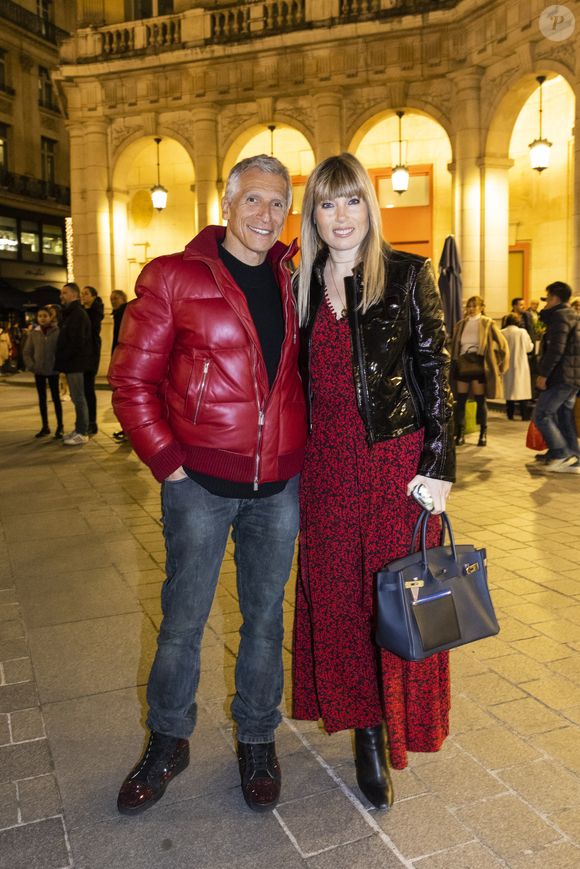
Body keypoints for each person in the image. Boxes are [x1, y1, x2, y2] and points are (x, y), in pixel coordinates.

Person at [108, 155, 307, 815]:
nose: (266, 215)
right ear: (227, 202)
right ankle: (168, 739)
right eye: (254, 200)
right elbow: (132, 380)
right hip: (199, 482)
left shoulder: (295, 281)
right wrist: (168, 462)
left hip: (277, 486)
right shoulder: (174, 276)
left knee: (262, 620)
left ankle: (256, 739)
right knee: (182, 623)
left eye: (278, 203)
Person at [292, 153, 455, 811]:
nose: (340, 216)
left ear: (369, 207)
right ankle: (363, 727)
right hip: (325, 469)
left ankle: (396, 722)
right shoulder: (300, 283)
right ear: (315, 214)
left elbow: (436, 374)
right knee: (339, 600)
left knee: (398, 601)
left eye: (351, 201)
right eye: (327, 204)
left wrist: (438, 467)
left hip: (395, 464)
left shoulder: (409, 275)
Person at [533, 281, 580, 473]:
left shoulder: (560, 317)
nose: (545, 304)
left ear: (554, 298)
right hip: (572, 376)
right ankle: (575, 457)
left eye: (547, 299)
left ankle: (561, 453)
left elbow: (556, 349)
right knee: (563, 416)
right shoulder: (572, 315)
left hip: (562, 376)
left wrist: (544, 374)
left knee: (542, 414)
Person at [450, 296, 509, 446]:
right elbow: (454, 344)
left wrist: (500, 365)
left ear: (481, 307)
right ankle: (460, 433)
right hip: (462, 363)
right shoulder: (461, 324)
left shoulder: (487, 323)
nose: (470, 309)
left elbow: (503, 345)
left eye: (474, 306)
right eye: (469, 306)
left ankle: (483, 433)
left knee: (480, 400)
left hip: (478, 364)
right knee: (460, 400)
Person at [54, 282, 93, 446]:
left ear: (73, 295)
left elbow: (77, 342)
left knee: (78, 398)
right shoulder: (70, 314)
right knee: (77, 398)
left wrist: (66, 358)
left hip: (76, 363)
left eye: (64, 293)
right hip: (72, 363)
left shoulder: (78, 314)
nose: (61, 296)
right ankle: (78, 429)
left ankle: (83, 432)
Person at [23, 307, 63, 439]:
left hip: (53, 370)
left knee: (56, 399)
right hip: (39, 370)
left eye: (45, 315)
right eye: (40, 316)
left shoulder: (57, 331)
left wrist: (59, 365)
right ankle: (45, 426)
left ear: (50, 317)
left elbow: (61, 349)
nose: (42, 318)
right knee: (42, 399)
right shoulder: (34, 333)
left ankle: (60, 426)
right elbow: (27, 352)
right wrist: (32, 366)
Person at [81, 285, 104, 435]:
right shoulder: (82, 311)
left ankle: (92, 422)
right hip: (83, 354)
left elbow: (92, 330)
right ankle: (86, 421)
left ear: (94, 296)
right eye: (82, 294)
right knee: (83, 389)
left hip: (91, 354)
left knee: (88, 389)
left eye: (86, 294)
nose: (83, 296)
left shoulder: (95, 312)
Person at [501, 313, 533, 421]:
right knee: (521, 390)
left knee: (509, 390)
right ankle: (524, 415)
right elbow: (529, 348)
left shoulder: (502, 333)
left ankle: (510, 414)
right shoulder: (522, 332)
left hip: (507, 364)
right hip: (520, 364)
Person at [110, 290, 128, 441]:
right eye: (111, 299)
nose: (113, 301)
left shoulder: (123, 313)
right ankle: (126, 429)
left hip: (124, 360)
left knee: (125, 399)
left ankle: (128, 430)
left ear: (123, 298)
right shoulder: (118, 313)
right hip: (122, 358)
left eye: (115, 298)